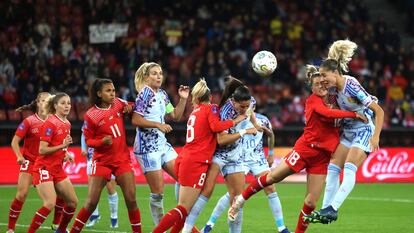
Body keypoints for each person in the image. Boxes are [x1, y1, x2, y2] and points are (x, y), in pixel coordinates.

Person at [227, 65, 368, 233]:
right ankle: (241, 200)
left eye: (323, 84)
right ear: (311, 87)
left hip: (322, 157)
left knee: (311, 203)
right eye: (317, 84)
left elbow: (351, 95)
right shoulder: (313, 101)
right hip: (305, 149)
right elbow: (328, 114)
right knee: (272, 177)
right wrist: (353, 115)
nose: (321, 87)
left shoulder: (335, 99)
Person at [152, 78, 247, 233]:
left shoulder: (195, 112)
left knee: (184, 212)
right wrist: (235, 121)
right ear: (209, 98)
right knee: (183, 209)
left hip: (185, 158)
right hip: (196, 162)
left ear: (195, 98)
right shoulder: (211, 109)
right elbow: (216, 126)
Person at [311, 39, 384, 224]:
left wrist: (375, 137)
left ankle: (333, 209)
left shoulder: (351, 85)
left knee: (350, 166)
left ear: (335, 73)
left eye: (324, 75)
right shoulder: (333, 91)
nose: (323, 80)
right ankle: (325, 209)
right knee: (334, 166)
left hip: (364, 128)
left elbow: (379, 111)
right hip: (348, 129)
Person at [182, 77, 258, 233]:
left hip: (235, 155)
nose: (244, 109)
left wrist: (256, 124)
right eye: (241, 106)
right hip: (219, 154)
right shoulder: (225, 111)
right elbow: (221, 140)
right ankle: (186, 230)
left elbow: (250, 111)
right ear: (233, 101)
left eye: (247, 105)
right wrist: (244, 130)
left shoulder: (249, 102)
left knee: (237, 200)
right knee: (207, 191)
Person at [70, 78, 141, 233]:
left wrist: (131, 107)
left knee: (131, 199)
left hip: (122, 160)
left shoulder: (118, 103)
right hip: (102, 161)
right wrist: (101, 141)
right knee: (91, 202)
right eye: (108, 91)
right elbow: (88, 140)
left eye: (113, 90)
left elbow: (135, 106)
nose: (112, 93)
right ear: (99, 93)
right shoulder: (91, 115)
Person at [201, 111, 290, 233]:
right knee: (235, 195)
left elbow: (271, 134)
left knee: (270, 188)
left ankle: (281, 228)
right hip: (239, 158)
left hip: (257, 158)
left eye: (250, 106)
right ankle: (209, 224)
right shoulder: (236, 119)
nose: (247, 109)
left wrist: (270, 153)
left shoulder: (263, 120)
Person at [132, 62, 189, 227]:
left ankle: (181, 215)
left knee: (184, 177)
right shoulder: (144, 94)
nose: (158, 76)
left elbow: (176, 116)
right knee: (158, 193)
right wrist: (158, 125)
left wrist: (183, 99)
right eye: (154, 73)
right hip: (147, 149)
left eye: (160, 73)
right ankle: (161, 228)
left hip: (162, 146)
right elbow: (136, 119)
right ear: (146, 77)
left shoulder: (163, 94)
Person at [7, 92, 65, 233]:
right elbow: (15, 141)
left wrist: (67, 153)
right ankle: (10, 228)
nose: (46, 103)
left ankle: (56, 225)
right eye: (43, 101)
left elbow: (58, 141)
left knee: (63, 195)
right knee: (21, 194)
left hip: (48, 164)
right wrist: (19, 156)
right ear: (38, 103)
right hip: (30, 162)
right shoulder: (29, 121)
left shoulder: (55, 121)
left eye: (49, 101)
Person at [27, 92, 78, 233]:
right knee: (50, 203)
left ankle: (60, 230)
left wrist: (66, 154)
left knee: (72, 202)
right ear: (55, 106)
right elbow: (42, 149)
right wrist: (62, 146)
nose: (67, 106)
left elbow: (58, 143)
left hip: (57, 168)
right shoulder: (50, 123)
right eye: (63, 103)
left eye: (68, 103)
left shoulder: (67, 123)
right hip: (44, 168)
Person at [80, 131, 119, 228]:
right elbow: (84, 133)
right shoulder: (89, 119)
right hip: (91, 158)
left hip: (107, 158)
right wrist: (83, 148)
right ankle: (94, 215)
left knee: (110, 188)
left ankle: (114, 218)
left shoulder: (111, 119)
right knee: (91, 191)